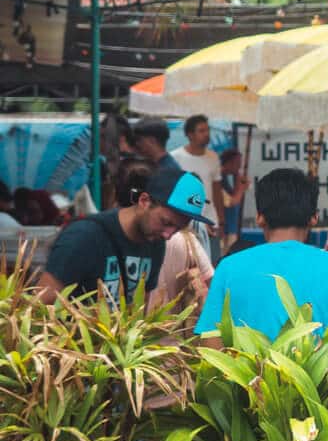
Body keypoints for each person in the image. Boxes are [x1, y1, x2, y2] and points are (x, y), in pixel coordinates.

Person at [195, 167, 328, 341]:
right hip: (325, 369)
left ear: (260, 217)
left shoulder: (228, 268)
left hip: (248, 368)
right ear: (313, 218)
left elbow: (212, 342)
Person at [35, 163, 207, 303]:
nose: (168, 235)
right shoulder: (85, 236)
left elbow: (139, 309)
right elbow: (39, 305)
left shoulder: (155, 243)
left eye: (177, 228)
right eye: (166, 222)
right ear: (144, 201)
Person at [170, 115, 223, 232]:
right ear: (190, 135)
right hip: (183, 223)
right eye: (201, 131)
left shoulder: (213, 157)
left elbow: (217, 192)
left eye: (208, 130)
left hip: (210, 221)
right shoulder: (175, 157)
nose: (206, 134)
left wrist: (221, 221)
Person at [216, 148, 248, 250]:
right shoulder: (217, 179)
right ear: (229, 162)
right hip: (223, 229)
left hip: (230, 227)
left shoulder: (227, 178)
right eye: (237, 163)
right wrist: (242, 188)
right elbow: (231, 202)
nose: (239, 166)